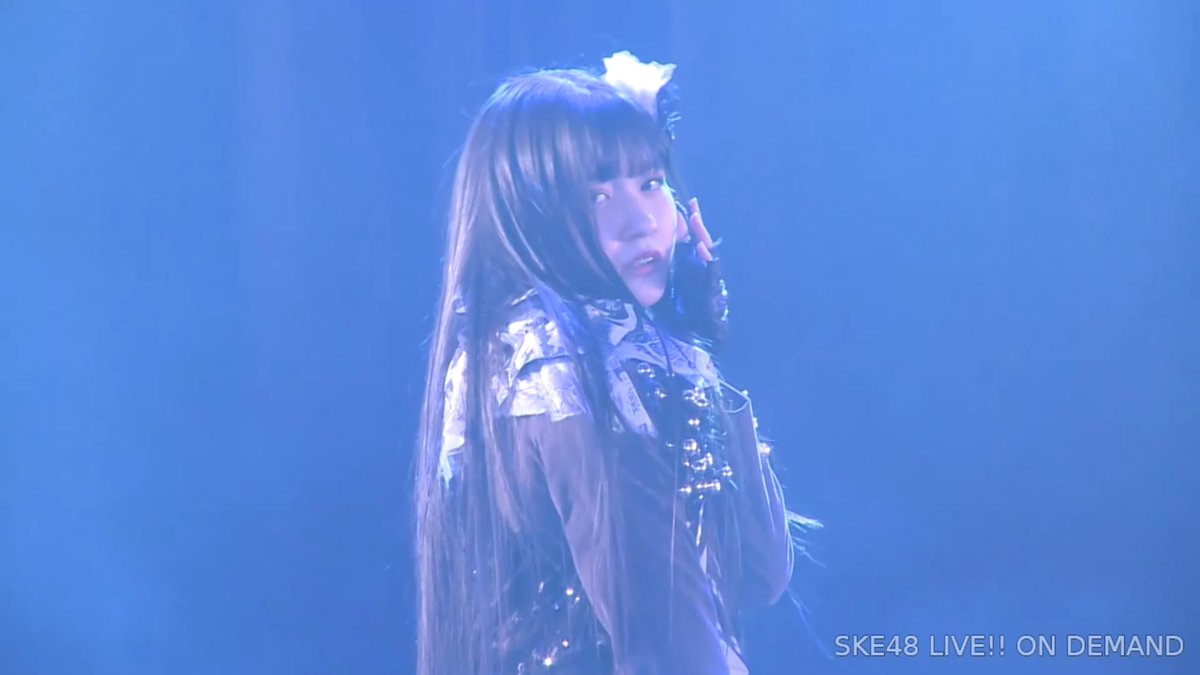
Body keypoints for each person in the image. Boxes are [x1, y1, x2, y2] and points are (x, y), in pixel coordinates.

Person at [415, 51, 813, 675]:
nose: (639, 223)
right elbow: (673, 651)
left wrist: (693, 342)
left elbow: (756, 573)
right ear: (527, 216)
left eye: (651, 182)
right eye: (596, 194)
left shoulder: (619, 352)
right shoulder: (559, 364)